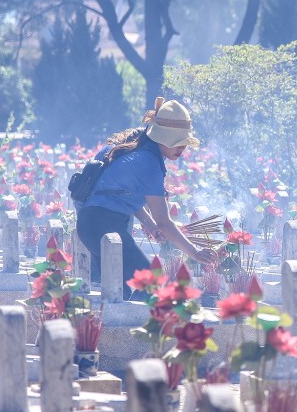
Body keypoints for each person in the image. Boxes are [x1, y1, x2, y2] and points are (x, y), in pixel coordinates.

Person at [76, 98, 218, 297]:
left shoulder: (136, 150)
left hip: (91, 223)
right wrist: (195, 252)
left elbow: (121, 195)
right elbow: (165, 222)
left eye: (184, 142)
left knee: (119, 293)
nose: (182, 148)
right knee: (150, 284)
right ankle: (142, 326)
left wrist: (150, 225)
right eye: (176, 141)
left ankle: (119, 328)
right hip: (104, 225)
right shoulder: (149, 163)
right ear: (160, 137)